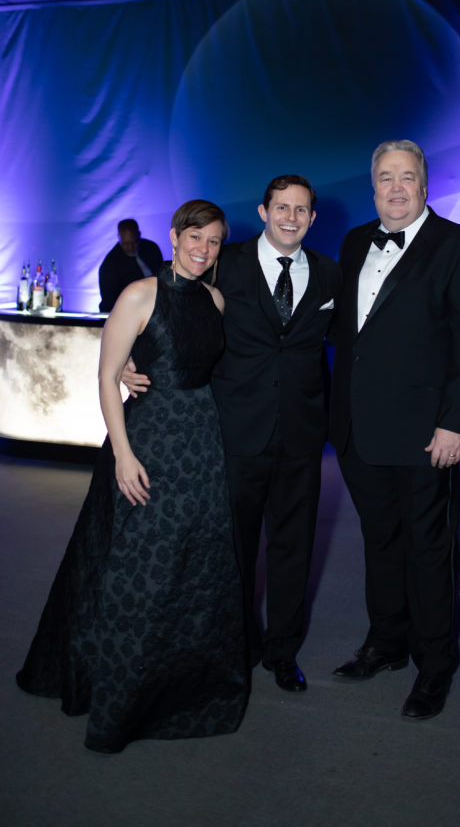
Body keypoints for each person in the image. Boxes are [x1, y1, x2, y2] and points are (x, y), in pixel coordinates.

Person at [17, 200, 247, 753]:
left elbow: (204, 364)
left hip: (201, 442)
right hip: (148, 443)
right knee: (138, 568)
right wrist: (122, 453)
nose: (203, 249)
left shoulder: (215, 299)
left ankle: (177, 685)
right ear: (173, 236)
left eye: (214, 241)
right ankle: (120, 693)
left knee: (194, 564)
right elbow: (104, 377)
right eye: (195, 237)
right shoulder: (139, 294)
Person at [124, 175, 341, 694]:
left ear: (313, 219)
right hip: (234, 433)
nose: (291, 217)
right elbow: (170, 305)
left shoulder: (333, 274)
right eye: (281, 207)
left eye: (301, 210)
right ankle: (239, 643)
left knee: (294, 549)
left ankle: (282, 652)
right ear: (264, 212)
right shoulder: (224, 260)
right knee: (235, 549)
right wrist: (132, 356)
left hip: (302, 437)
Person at [330, 140, 460, 720]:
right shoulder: (354, 242)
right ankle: (386, 643)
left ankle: (435, 665)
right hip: (358, 431)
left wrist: (456, 423)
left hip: (429, 436)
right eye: (384, 178)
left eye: (407, 177)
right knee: (380, 543)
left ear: (425, 186)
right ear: (372, 188)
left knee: (429, 551)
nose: (395, 188)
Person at [98, 218, 163, 311]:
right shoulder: (110, 265)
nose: (130, 247)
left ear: (139, 235)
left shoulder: (152, 248)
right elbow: (109, 303)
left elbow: (163, 279)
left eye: (134, 242)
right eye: (126, 243)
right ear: (119, 238)